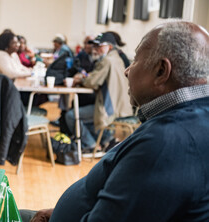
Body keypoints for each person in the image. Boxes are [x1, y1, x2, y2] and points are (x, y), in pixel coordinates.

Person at [21, 20, 209, 222]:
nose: (128, 71)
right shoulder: (189, 119)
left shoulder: (167, 142)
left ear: (161, 71)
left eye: (135, 60)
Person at [64, 32, 132, 150]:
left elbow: (92, 82)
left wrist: (80, 79)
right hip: (122, 106)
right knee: (85, 115)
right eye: (95, 46)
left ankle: (90, 144)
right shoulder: (117, 59)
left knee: (71, 115)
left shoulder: (107, 61)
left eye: (99, 46)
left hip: (111, 108)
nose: (96, 49)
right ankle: (106, 140)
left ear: (109, 47)